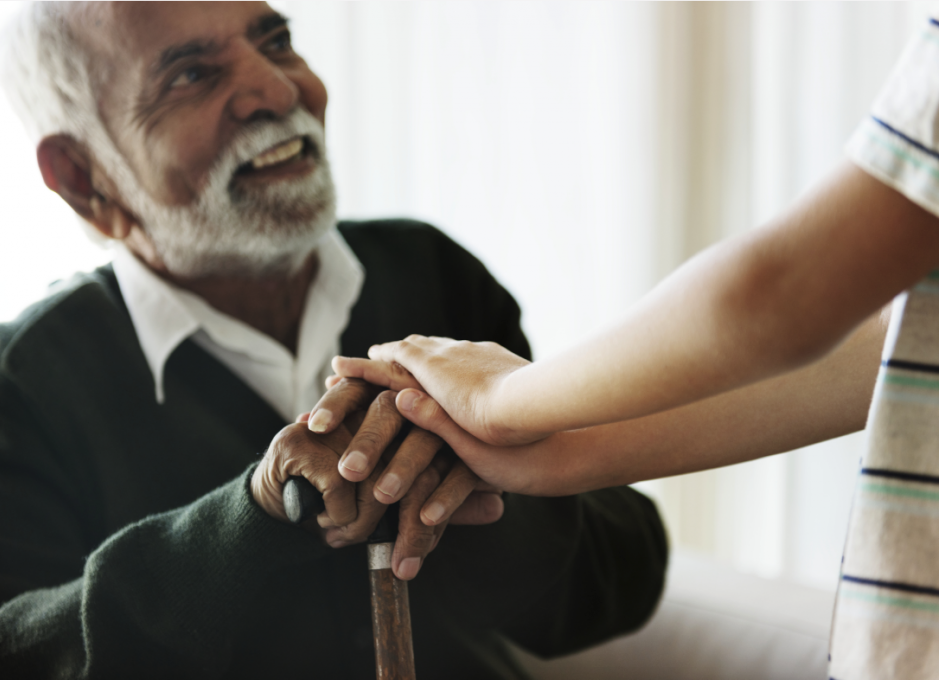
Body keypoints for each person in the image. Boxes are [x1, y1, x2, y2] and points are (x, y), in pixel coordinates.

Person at [0, 3, 668, 678]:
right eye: (191, 75)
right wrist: (251, 518)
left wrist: (484, 483)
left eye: (275, 39)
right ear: (83, 177)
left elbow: (623, 585)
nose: (279, 91)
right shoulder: (31, 380)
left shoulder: (431, 271)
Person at [332, 16, 939, 680]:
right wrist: (552, 452)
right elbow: (889, 348)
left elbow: (785, 294)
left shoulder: (425, 267)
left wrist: (503, 398)